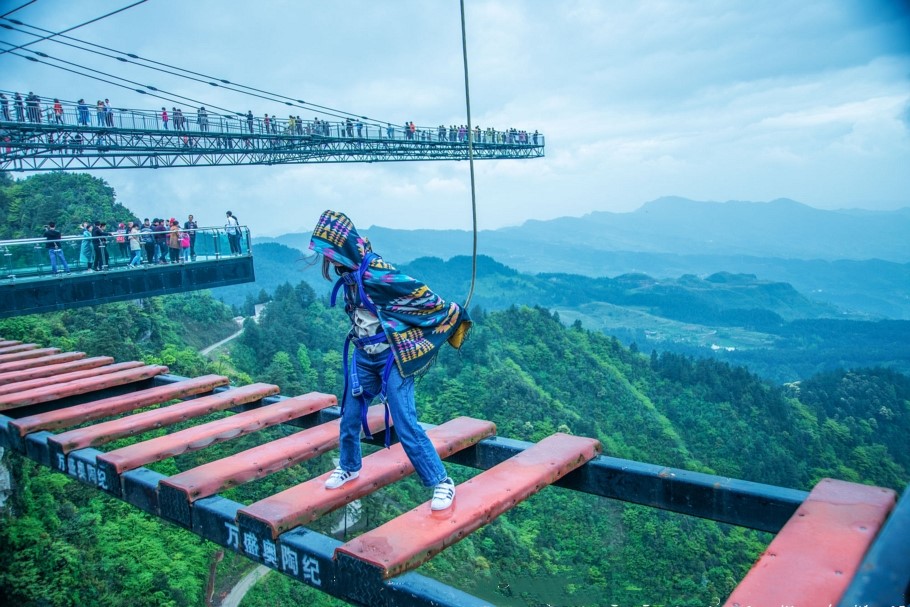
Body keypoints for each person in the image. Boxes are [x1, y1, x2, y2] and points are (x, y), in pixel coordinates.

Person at [309, 210, 472, 511]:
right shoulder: (350, 276)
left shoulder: (374, 272)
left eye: (329, 252)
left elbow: (417, 293)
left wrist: (450, 313)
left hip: (391, 358)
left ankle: (441, 482)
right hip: (363, 354)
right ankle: (349, 465)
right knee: (350, 416)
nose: (327, 259)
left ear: (342, 247)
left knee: (406, 422)